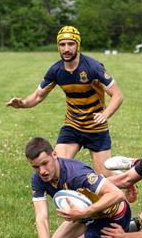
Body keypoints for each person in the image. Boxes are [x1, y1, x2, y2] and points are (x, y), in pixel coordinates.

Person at [7, 26, 123, 178]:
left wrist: (105, 114)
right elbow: (38, 96)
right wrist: (22, 104)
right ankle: (72, 197)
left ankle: (123, 178)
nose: (66, 49)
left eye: (70, 44)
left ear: (78, 45)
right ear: (58, 47)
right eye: (62, 45)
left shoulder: (93, 68)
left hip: (96, 128)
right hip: (72, 125)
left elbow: (117, 95)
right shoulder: (56, 70)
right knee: (56, 169)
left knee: (106, 177)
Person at [25, 137, 131, 238]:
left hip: (112, 216)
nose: (42, 171)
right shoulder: (38, 179)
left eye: (45, 163)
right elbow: (41, 217)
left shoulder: (76, 174)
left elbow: (117, 194)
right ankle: (89, 226)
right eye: (35, 167)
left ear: (54, 155)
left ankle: (129, 228)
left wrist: (84, 212)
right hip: (87, 215)